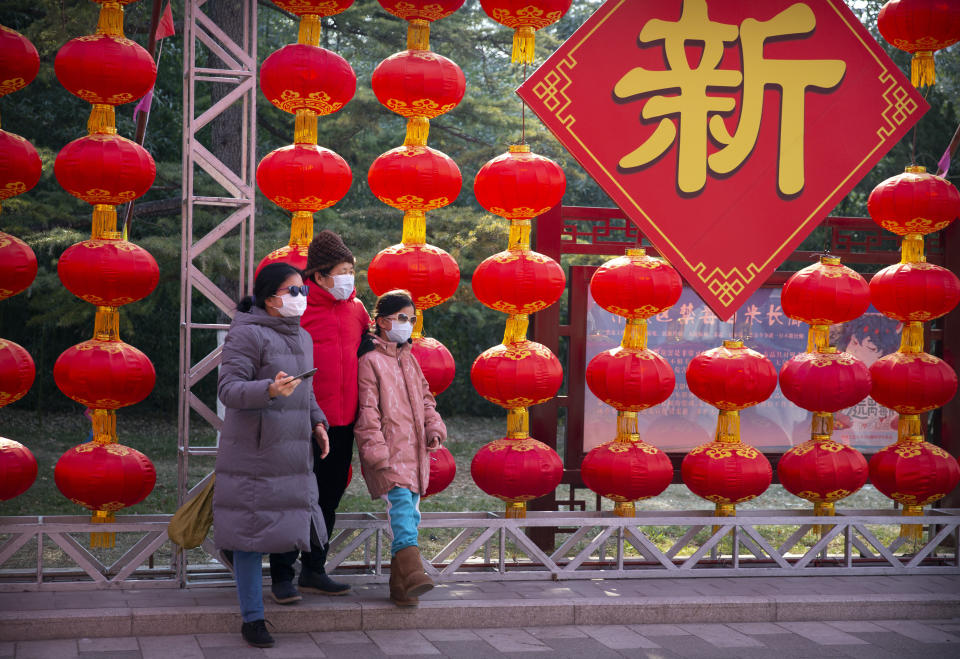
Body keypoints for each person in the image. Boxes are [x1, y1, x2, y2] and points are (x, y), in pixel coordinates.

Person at [213, 262, 330, 649]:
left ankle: (275, 590)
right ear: (270, 298)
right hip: (254, 453)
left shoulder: (303, 337)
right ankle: (253, 618)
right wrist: (268, 389)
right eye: (293, 292)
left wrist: (318, 424)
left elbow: (307, 390)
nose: (301, 299)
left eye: (304, 292)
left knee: (276, 528)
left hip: (292, 450)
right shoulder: (247, 335)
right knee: (248, 535)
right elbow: (229, 390)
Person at [268, 230, 370, 600]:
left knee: (329, 496)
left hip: (343, 423)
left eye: (352, 271)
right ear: (321, 274)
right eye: (343, 270)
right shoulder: (299, 306)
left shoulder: (357, 310)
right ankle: (281, 573)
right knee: (294, 495)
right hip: (301, 420)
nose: (349, 278)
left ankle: (313, 568)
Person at [355, 289, 446, 607]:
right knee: (404, 515)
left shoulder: (409, 359)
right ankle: (416, 574)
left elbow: (426, 398)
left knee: (410, 516)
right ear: (380, 322)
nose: (407, 324)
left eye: (412, 318)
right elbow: (368, 412)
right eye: (401, 318)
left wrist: (433, 427)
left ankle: (401, 590)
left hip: (416, 454)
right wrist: (376, 452)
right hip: (389, 455)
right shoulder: (369, 362)